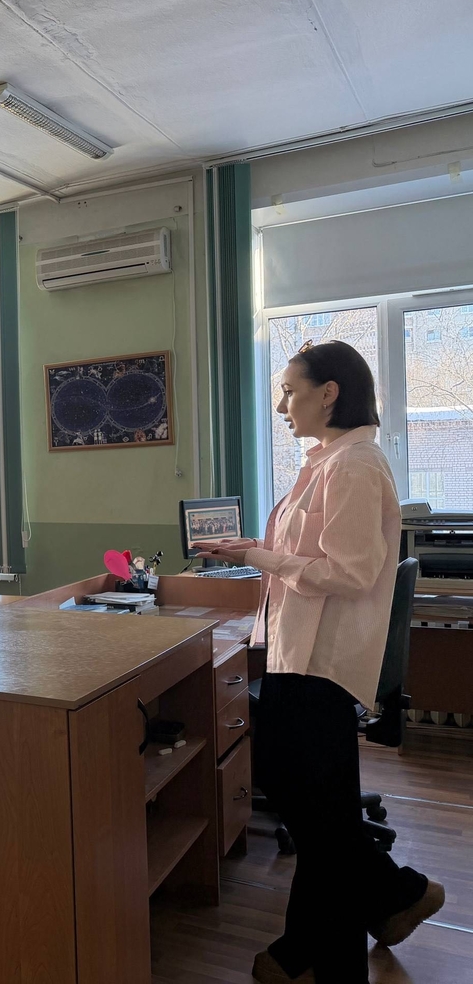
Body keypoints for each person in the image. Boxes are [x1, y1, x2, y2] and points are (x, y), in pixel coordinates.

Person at [193, 341, 442, 984]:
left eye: (290, 391)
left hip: (322, 662)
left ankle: (379, 911)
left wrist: (261, 556)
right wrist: (253, 548)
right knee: (319, 815)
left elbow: (350, 572)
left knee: (315, 817)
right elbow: (309, 556)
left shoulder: (354, 465)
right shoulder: (328, 461)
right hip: (297, 653)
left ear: (329, 393)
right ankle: (354, 920)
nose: (282, 406)